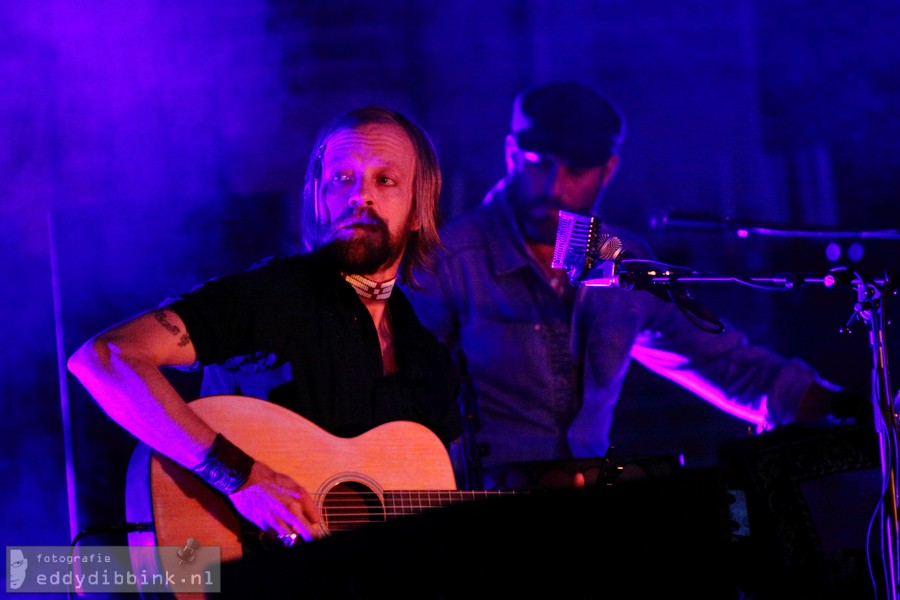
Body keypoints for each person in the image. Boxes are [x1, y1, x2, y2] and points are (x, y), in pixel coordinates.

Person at [405, 81, 854, 486]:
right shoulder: (447, 259)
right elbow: (399, 403)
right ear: (510, 154)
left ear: (609, 169)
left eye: (576, 171)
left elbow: (731, 367)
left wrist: (854, 410)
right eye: (538, 163)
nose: (554, 187)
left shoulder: (620, 256)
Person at [68, 105, 464, 544]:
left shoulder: (428, 358)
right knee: (39, 574)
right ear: (318, 197)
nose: (359, 196)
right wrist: (242, 479)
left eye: (384, 180)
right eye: (342, 178)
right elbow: (105, 358)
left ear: (417, 209)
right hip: (238, 574)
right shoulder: (276, 293)